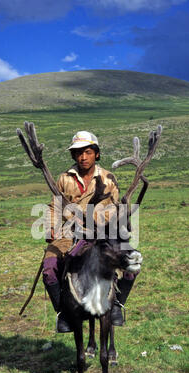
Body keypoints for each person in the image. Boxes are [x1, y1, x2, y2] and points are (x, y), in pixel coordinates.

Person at [42, 131, 136, 332]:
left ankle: (117, 305)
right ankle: (63, 313)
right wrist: (51, 227)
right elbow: (54, 207)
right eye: (78, 153)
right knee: (49, 269)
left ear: (96, 154)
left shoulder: (108, 179)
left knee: (131, 263)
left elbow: (114, 209)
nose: (82, 157)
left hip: (101, 233)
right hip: (68, 234)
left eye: (87, 152)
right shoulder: (64, 179)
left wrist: (88, 217)